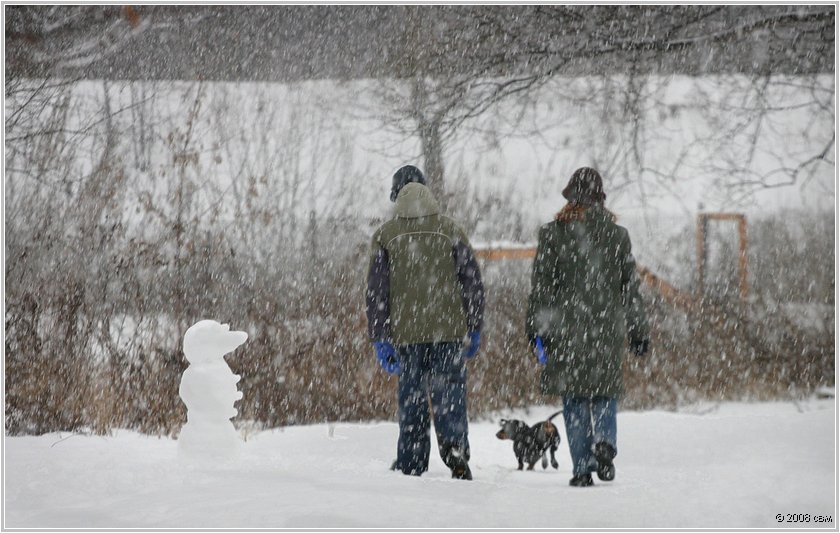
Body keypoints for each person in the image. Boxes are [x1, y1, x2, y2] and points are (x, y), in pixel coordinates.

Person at [526, 167, 650, 487]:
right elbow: (630, 290)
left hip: (566, 331)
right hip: (607, 330)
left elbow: (542, 288)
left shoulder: (552, 234)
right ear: (600, 198)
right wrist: (638, 330)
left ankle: (582, 469)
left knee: (574, 399)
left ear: (569, 195)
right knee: (605, 393)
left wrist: (536, 329)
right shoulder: (617, 236)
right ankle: (605, 442)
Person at [366, 165, 485, 480]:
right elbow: (471, 281)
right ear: (426, 190)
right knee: (450, 396)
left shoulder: (385, 235)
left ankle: (411, 461)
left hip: (406, 336)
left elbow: (377, 291)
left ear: (396, 195)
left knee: (413, 399)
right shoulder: (450, 229)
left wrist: (380, 336)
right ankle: (456, 451)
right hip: (449, 330)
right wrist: (473, 326)